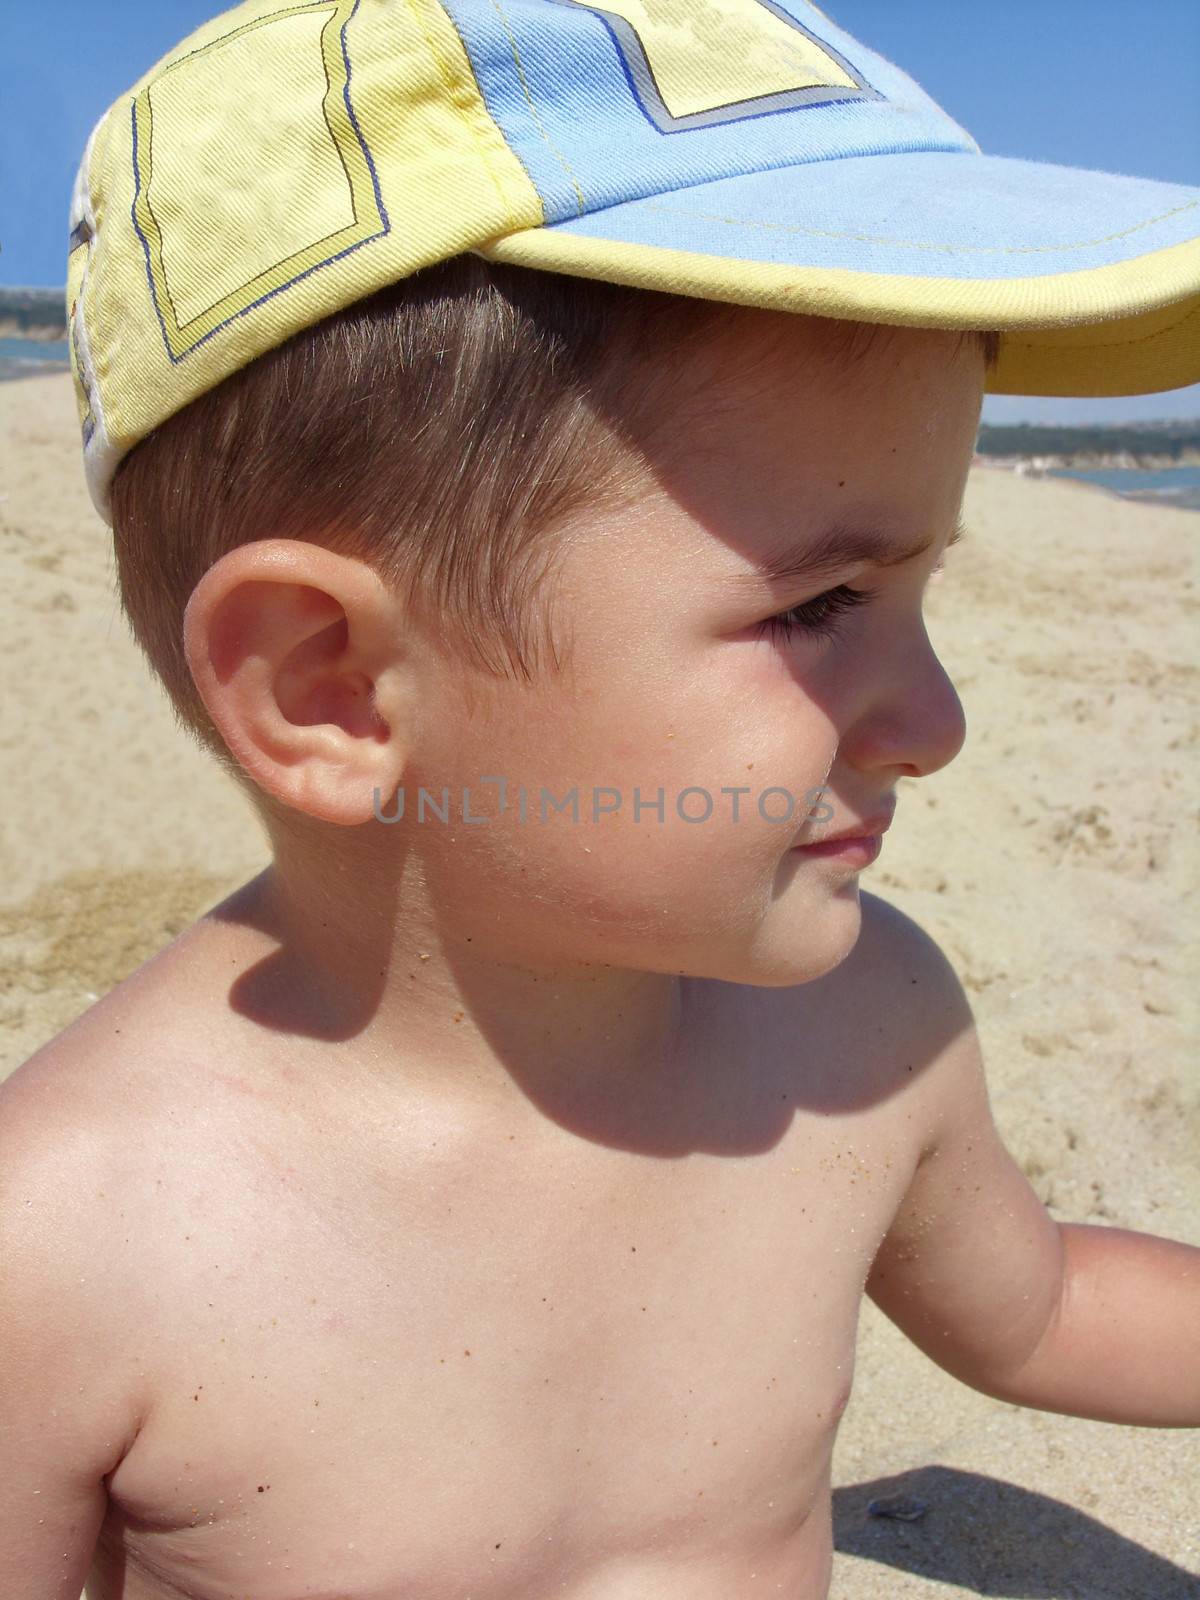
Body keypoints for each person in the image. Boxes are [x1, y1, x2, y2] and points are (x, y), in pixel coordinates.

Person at [3, 3, 1198, 1596]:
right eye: (822, 606)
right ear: (332, 690)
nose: (938, 724)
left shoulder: (870, 1037)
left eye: (923, 594)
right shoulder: (72, 1248)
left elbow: (1041, 1308)